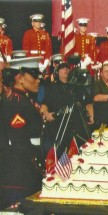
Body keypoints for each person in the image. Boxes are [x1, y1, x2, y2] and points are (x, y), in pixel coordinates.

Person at [0, 57, 44, 209]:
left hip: (25, 170)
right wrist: (37, 166)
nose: (38, 80)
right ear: (20, 78)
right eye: (34, 75)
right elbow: (19, 143)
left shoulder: (24, 99)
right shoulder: (17, 103)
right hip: (19, 175)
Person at [41, 62, 94, 158]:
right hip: (60, 127)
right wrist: (46, 114)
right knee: (61, 156)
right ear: (57, 72)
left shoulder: (78, 87)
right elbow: (44, 105)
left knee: (82, 154)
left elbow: (88, 103)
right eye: (62, 68)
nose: (66, 69)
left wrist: (91, 116)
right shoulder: (52, 88)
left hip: (78, 126)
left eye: (67, 68)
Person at [92, 62, 108, 127]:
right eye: (106, 71)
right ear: (102, 73)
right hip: (102, 120)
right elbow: (96, 97)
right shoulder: (97, 84)